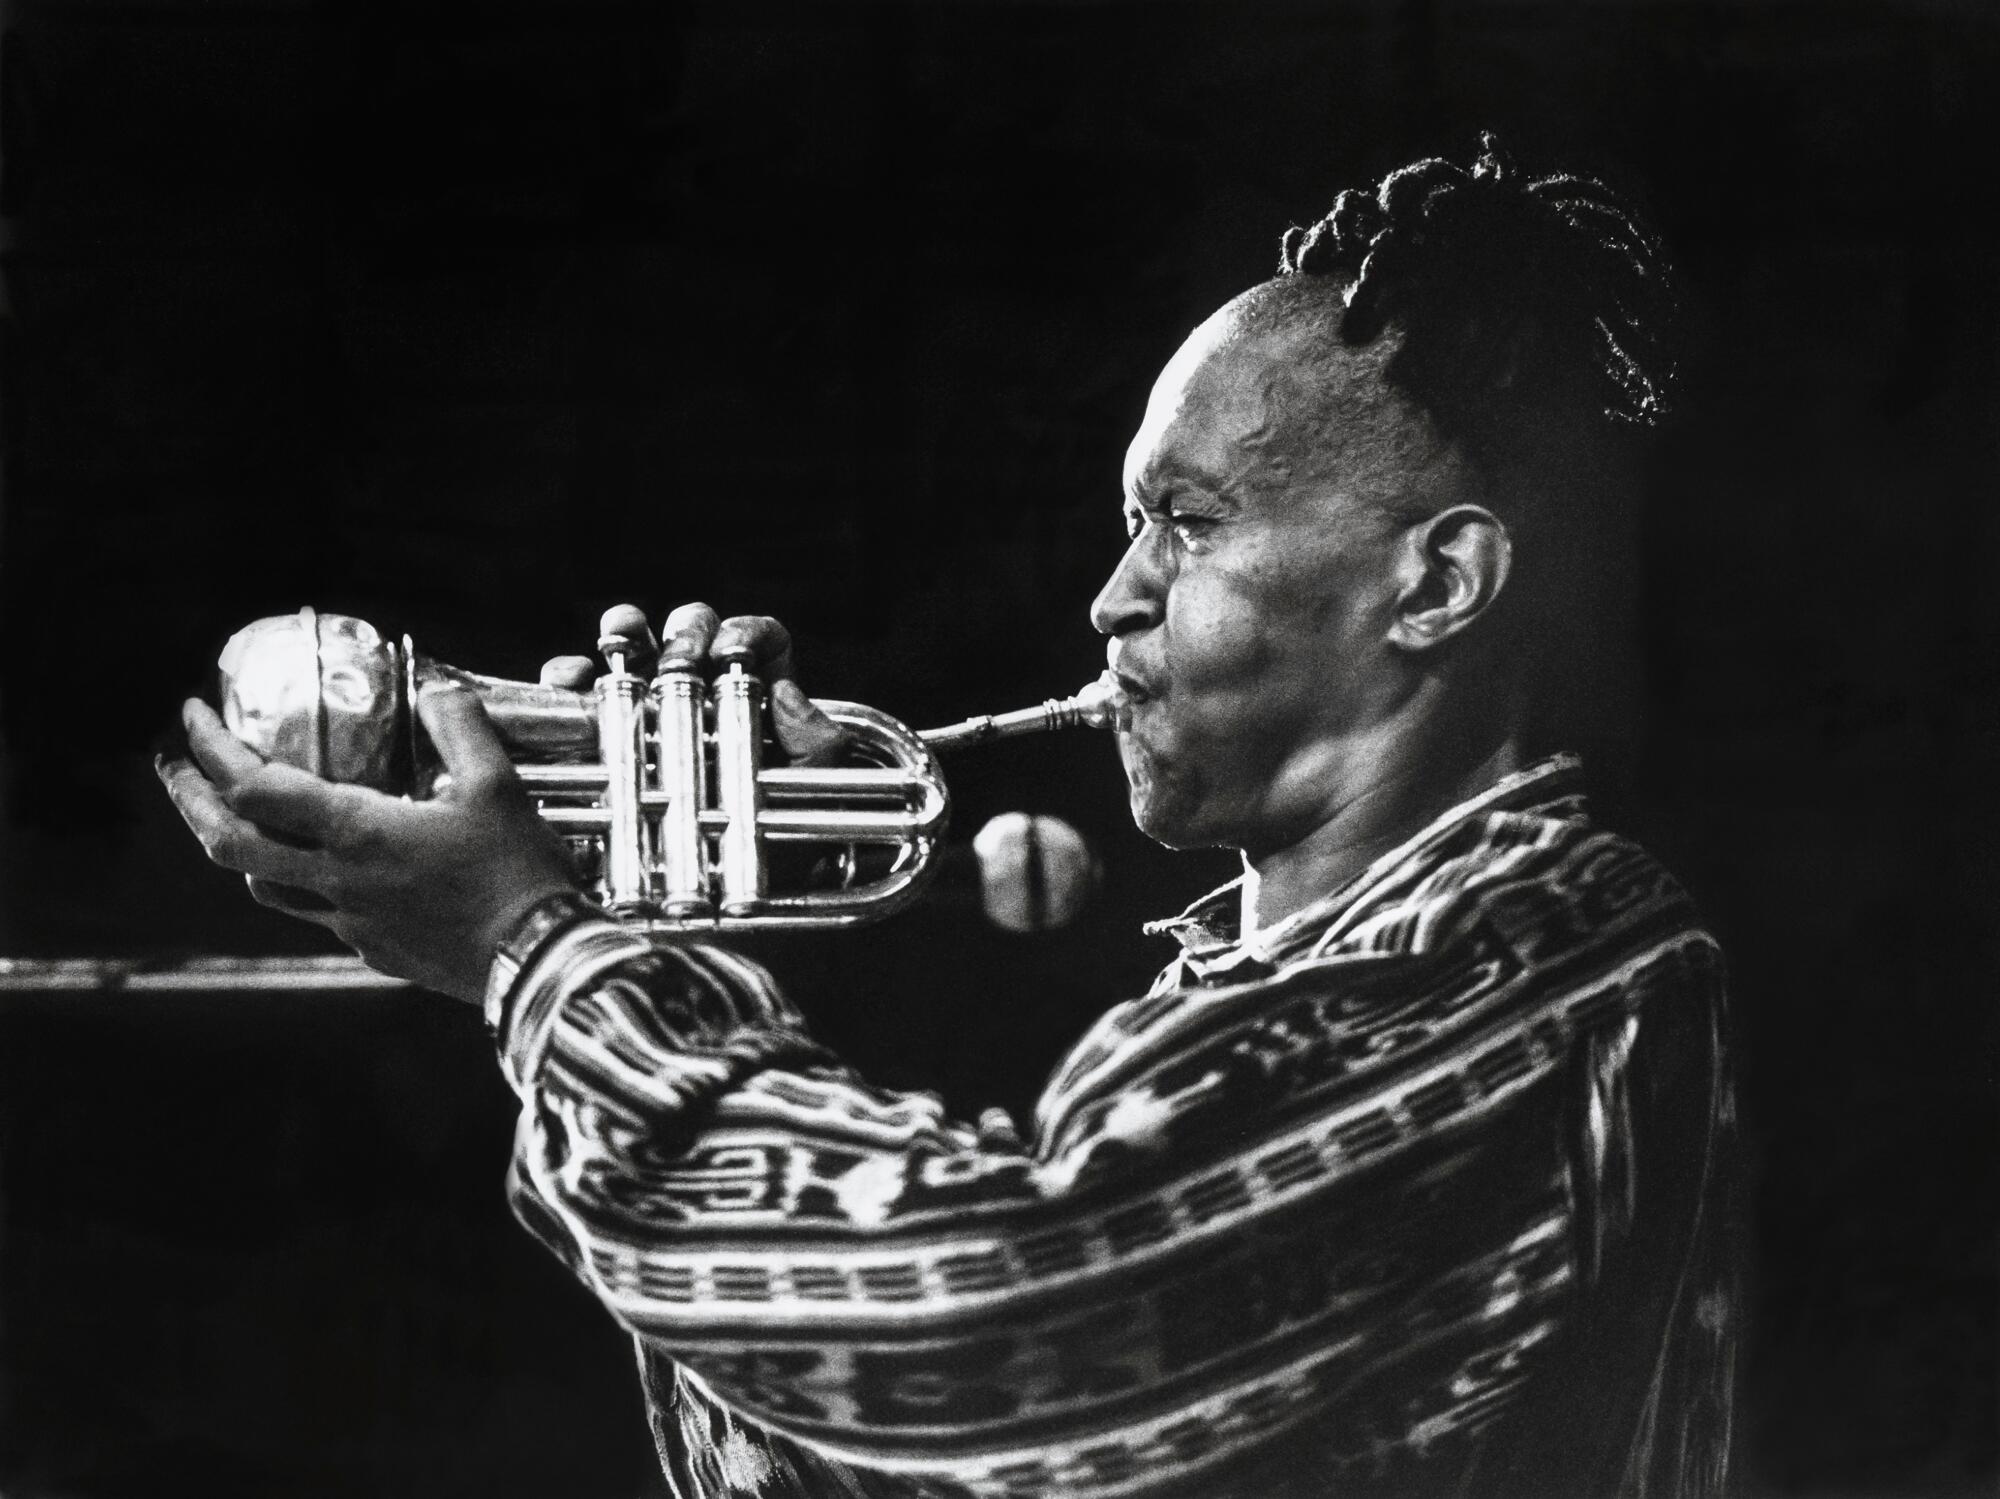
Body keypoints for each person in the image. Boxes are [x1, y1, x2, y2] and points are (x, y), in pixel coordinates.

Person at [159, 137, 1738, 1498]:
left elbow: (1004, 1330)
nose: (1113, 599)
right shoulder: (1267, 993)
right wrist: (641, 922)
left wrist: (537, 953)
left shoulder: (1523, 968)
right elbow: (841, 1461)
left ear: (1439, 583)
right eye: (1131, 526)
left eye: (1188, 526)